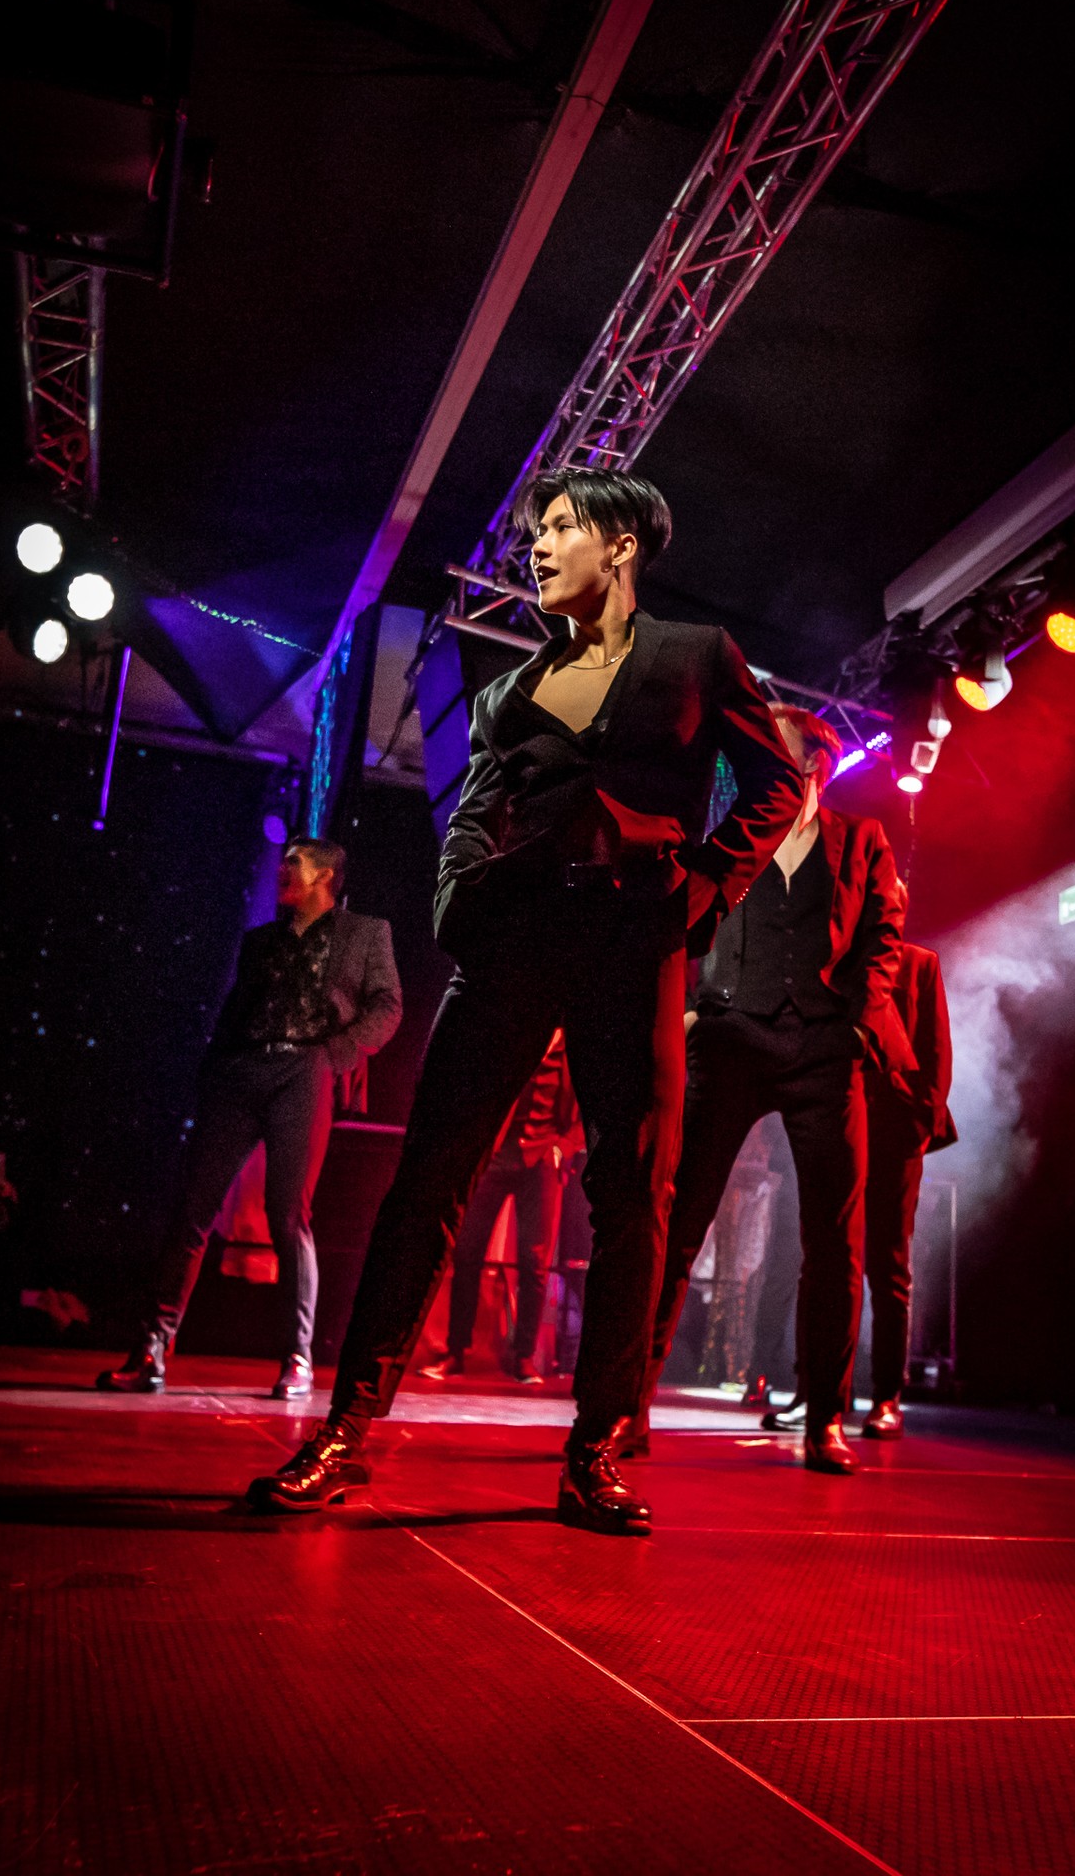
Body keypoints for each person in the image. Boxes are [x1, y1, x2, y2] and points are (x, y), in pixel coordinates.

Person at [246, 466, 802, 1531]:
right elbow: (469, 817)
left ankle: (595, 1452)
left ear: (620, 545)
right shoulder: (508, 695)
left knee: (631, 1193)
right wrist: (460, 904)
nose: (537, 548)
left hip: (634, 946)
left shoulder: (697, 656)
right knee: (426, 1179)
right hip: (511, 948)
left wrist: (699, 892)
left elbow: (776, 784)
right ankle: (344, 1432)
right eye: (536, 531)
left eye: (558, 528)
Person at [638, 705, 912, 1474]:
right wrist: (687, 1008)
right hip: (729, 1038)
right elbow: (675, 919)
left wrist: (855, 1024)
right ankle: (625, 1404)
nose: (755, 755)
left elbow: (882, 936)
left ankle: (823, 1418)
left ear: (814, 764)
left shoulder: (862, 839)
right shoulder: (730, 835)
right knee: (676, 1221)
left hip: (823, 1049)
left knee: (834, 1240)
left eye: (775, 746)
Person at [96, 838, 402, 1400]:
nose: (282, 869)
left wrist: (335, 1055)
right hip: (241, 1071)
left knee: (287, 1215)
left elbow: (388, 1006)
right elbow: (236, 1010)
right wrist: (215, 1070)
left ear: (325, 874)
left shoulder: (365, 932)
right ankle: (152, 1349)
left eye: (294, 862)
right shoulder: (260, 940)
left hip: (304, 1071)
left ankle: (297, 1358)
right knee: (192, 1208)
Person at [420, 1028, 581, 1384]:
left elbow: (590, 1106)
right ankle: (456, 1352)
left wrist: (563, 1148)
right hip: (494, 1157)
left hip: (541, 1160)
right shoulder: (513, 1033)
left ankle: (523, 1357)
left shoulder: (573, 1048)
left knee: (534, 1262)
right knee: (467, 1252)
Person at [861, 907, 957, 1438]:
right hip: (845, 1120)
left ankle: (886, 1397)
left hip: (897, 1130)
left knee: (890, 1264)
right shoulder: (843, 957)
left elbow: (937, 1048)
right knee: (826, 1258)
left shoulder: (920, 964)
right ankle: (817, 1390)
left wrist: (922, 1122)